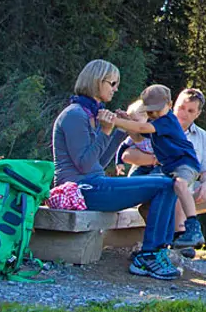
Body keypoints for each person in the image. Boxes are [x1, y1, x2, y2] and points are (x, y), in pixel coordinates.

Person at [51, 59, 180, 280]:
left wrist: (119, 130)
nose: (116, 88)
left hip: (92, 184)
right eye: (112, 83)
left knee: (168, 184)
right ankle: (150, 255)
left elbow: (98, 163)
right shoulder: (75, 115)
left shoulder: (90, 113)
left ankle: (158, 250)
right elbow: (83, 164)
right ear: (96, 82)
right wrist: (105, 131)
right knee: (166, 185)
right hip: (79, 191)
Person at [122, 88, 206, 263]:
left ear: (198, 114)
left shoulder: (202, 136)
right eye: (181, 107)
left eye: (191, 110)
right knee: (176, 181)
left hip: (186, 188)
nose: (184, 113)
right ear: (172, 105)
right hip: (156, 184)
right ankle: (180, 241)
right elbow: (128, 155)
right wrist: (158, 159)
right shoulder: (154, 124)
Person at [111, 85, 205, 249]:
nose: (153, 114)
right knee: (147, 206)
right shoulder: (156, 123)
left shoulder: (168, 120)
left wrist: (115, 120)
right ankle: (161, 242)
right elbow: (138, 137)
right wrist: (126, 120)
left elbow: (141, 128)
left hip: (185, 163)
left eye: (157, 109)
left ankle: (193, 227)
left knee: (180, 184)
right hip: (170, 168)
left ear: (169, 105)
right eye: (150, 110)